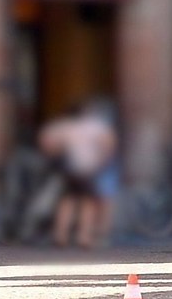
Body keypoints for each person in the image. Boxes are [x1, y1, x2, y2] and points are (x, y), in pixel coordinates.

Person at [38, 98, 117, 249]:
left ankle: (60, 235)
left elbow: (47, 142)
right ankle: (84, 237)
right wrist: (102, 161)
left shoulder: (66, 127)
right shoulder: (95, 126)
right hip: (88, 169)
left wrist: (55, 154)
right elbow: (109, 144)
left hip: (69, 169)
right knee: (88, 203)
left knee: (67, 201)